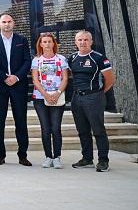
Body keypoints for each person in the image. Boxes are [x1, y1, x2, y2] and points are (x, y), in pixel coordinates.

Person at [0, 12, 32, 166]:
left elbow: (27, 61)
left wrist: (17, 76)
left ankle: (23, 155)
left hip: (18, 86)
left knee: (21, 120)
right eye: (4, 22)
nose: (7, 24)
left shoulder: (22, 40)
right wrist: (4, 77)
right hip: (0, 86)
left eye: (9, 21)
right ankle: (0, 154)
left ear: (14, 23)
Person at [69, 30, 114, 172]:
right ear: (75, 42)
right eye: (80, 40)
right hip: (77, 98)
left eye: (86, 40)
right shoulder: (72, 58)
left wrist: (98, 94)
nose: (83, 42)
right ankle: (87, 159)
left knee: (98, 130)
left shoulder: (99, 58)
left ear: (91, 41)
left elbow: (110, 80)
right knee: (82, 130)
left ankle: (103, 160)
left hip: (94, 97)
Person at [31, 32, 69, 169]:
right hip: (41, 98)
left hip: (57, 97)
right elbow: (35, 79)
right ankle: (48, 156)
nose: (47, 44)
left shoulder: (61, 59)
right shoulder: (36, 60)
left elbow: (65, 78)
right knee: (45, 129)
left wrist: (57, 93)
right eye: (44, 42)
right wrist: (45, 94)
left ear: (54, 43)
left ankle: (57, 157)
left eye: (49, 41)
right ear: (40, 44)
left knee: (56, 128)